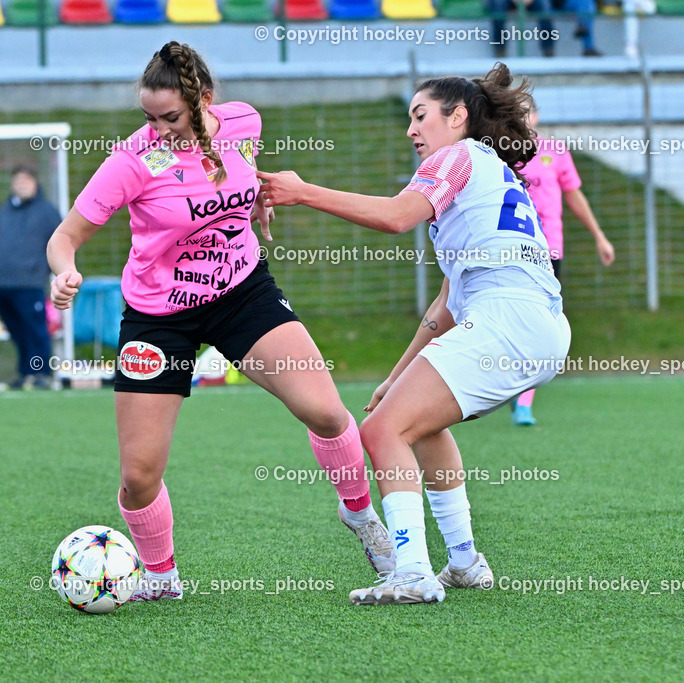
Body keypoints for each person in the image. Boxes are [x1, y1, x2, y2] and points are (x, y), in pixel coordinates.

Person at [47, 41, 394, 602]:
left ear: (204, 100)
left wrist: (256, 200)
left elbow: (242, 172)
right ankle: (161, 578)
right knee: (138, 476)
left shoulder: (243, 122)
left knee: (327, 412)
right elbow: (65, 237)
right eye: (149, 118)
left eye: (171, 117)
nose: (159, 130)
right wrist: (64, 272)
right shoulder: (132, 161)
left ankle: (359, 514)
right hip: (159, 317)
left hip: (241, 292)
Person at [258, 63, 571, 605]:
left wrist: (304, 191)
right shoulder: (492, 172)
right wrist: (396, 377)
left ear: (458, 116)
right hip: (537, 328)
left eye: (420, 116)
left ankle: (412, 572)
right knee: (417, 427)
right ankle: (464, 561)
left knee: (381, 432)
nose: (411, 130)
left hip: (507, 321)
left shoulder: (458, 157)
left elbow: (396, 216)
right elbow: (446, 305)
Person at [512, 102, 615, 425]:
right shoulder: (499, 150)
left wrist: (599, 236)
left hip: (548, 250)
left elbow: (574, 194)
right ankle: (506, 384)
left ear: (537, 116)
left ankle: (523, 400)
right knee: (511, 319)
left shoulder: (554, 151)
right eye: (516, 111)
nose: (523, 117)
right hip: (510, 248)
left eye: (528, 111)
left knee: (539, 322)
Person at [0, 166, 61, 391]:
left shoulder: (47, 212)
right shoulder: (5, 211)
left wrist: (47, 271)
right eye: (18, 180)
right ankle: (26, 372)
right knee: (16, 331)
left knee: (35, 329)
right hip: (4, 284)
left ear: (35, 183)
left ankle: (41, 373)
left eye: (26, 180)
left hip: (30, 283)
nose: (21, 184)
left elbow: (60, 243)